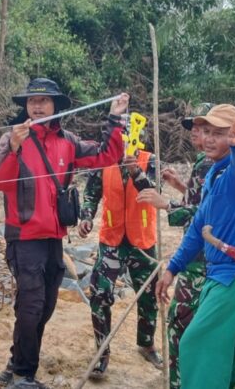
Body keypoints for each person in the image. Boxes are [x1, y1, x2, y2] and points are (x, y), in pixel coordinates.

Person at [0, 78, 129, 389]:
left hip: (54, 238)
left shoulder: (68, 141)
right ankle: (23, 375)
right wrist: (14, 148)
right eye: (32, 101)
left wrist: (115, 118)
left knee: (47, 306)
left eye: (44, 100)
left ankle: (16, 364)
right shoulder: (12, 139)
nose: (37, 106)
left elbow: (107, 156)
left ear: (56, 106)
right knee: (30, 305)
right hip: (23, 238)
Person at [155, 104, 235, 389]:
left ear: (233, 137)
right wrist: (172, 268)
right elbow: (197, 229)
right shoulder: (215, 177)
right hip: (228, 279)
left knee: (195, 344)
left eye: (218, 133)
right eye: (206, 131)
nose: (208, 139)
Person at [137, 103, 214, 389]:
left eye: (204, 127)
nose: (196, 132)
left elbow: (205, 216)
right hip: (196, 257)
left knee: (179, 325)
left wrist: (165, 204)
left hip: (200, 260)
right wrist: (180, 186)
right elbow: (200, 200)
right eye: (193, 127)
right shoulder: (205, 160)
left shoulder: (211, 163)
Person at [78, 138, 162, 380]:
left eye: (129, 138)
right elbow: (91, 195)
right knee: (100, 294)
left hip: (142, 242)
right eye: (119, 138)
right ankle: (101, 353)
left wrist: (136, 171)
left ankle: (146, 344)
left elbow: (155, 193)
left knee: (149, 295)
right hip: (112, 241)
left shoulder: (149, 160)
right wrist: (86, 217)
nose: (125, 144)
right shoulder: (103, 161)